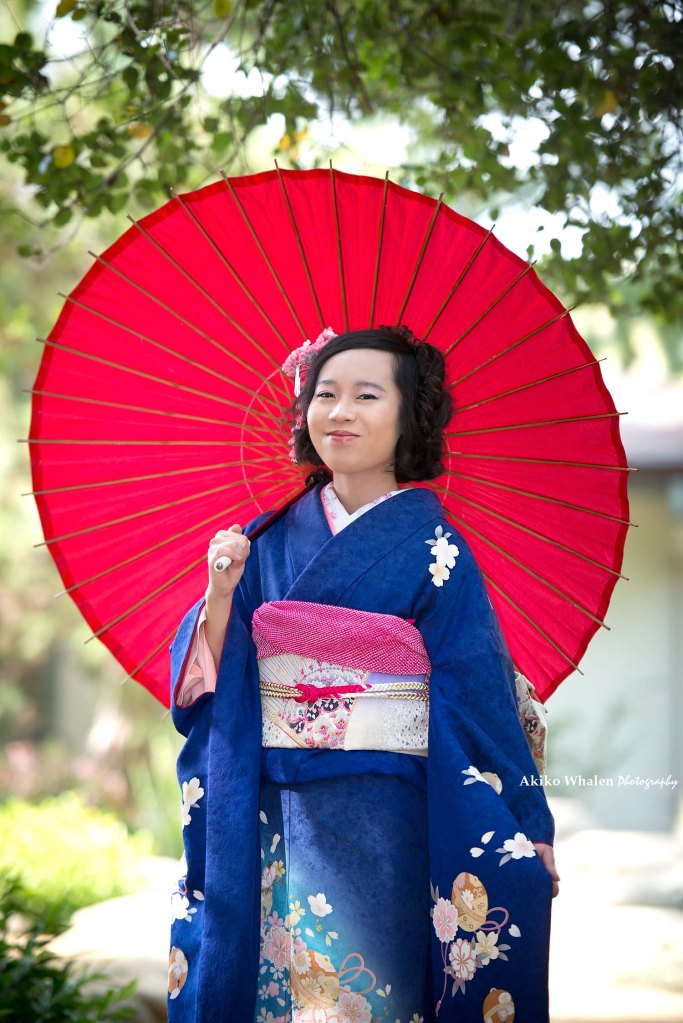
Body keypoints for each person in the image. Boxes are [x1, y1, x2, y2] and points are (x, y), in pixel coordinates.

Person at [167, 326, 560, 1023]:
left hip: (390, 817)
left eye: (365, 395)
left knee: (372, 995)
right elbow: (211, 683)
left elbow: (475, 694)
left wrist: (527, 821)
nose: (339, 411)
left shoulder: (436, 548)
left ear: (409, 417)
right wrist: (221, 592)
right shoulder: (261, 539)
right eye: (324, 394)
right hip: (276, 814)